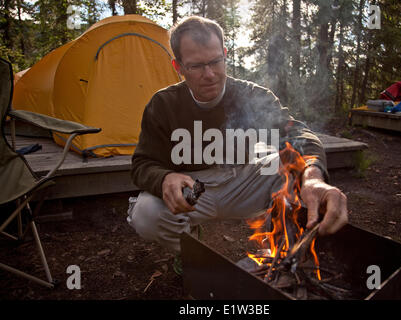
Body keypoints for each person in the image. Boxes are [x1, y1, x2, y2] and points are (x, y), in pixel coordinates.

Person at [127, 16, 348, 254]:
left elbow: (296, 133)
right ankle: (189, 253)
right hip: (194, 191)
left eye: (215, 61)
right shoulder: (163, 105)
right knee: (146, 213)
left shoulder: (253, 96)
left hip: (245, 181)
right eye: (196, 66)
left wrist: (313, 177)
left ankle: (285, 252)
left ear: (224, 53)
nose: (210, 74)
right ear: (178, 67)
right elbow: (142, 163)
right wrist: (163, 178)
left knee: (296, 170)